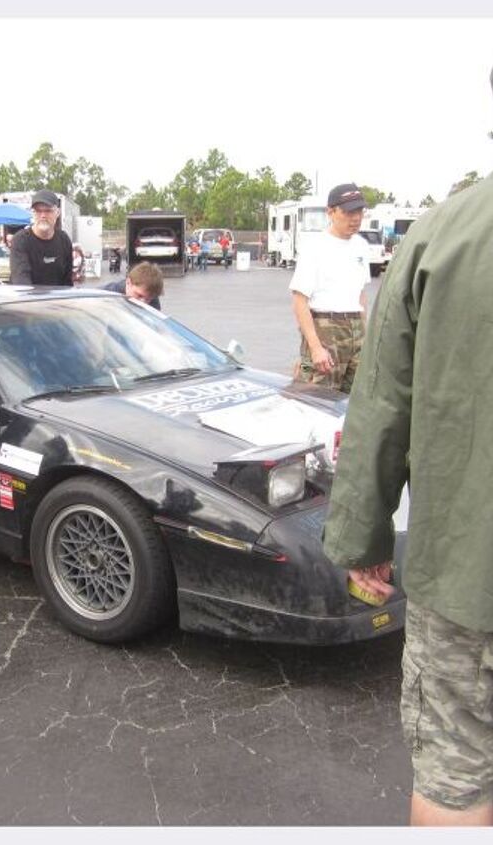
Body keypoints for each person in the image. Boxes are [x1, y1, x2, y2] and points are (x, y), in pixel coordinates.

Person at [323, 74, 493, 825]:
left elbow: (382, 408)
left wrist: (362, 539)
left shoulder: (441, 235)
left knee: (457, 778)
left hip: (467, 581)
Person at [288, 183, 369, 394]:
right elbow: (299, 301)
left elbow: (360, 295)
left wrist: (365, 335)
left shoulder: (361, 246)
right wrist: (315, 348)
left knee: (355, 400)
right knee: (315, 398)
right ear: (330, 212)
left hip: (356, 329)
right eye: (349, 212)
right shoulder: (315, 246)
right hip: (325, 329)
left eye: (360, 211)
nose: (356, 218)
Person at [9, 189, 73, 285]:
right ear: (32, 213)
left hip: (57, 294)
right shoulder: (21, 240)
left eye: (48, 211)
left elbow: (67, 281)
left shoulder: (64, 240)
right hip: (28, 294)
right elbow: (21, 282)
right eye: (38, 211)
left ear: (58, 212)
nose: (43, 215)